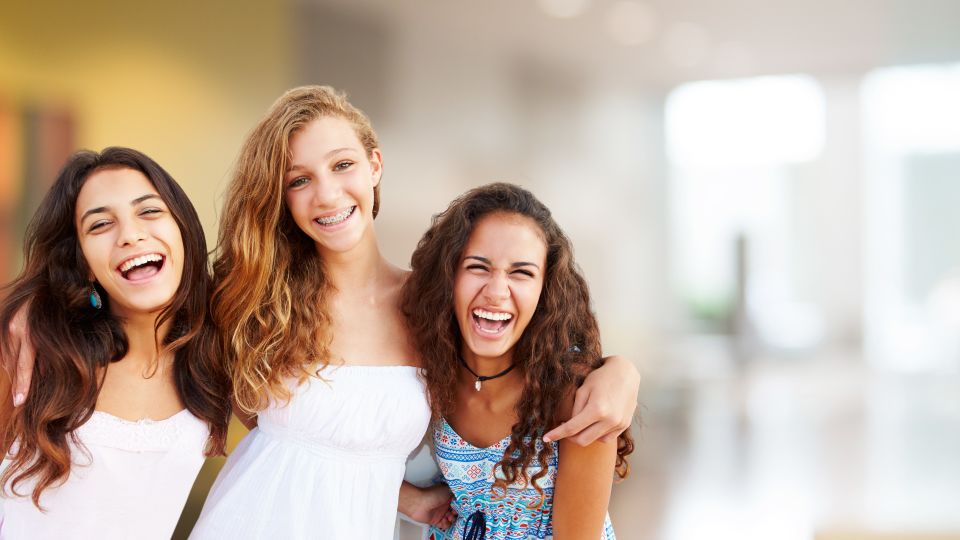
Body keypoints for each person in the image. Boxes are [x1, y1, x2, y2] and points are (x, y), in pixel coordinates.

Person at [4, 86, 641, 538]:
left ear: (374, 166)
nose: (327, 194)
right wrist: (31, 310)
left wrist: (618, 370)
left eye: (341, 166)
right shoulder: (252, 295)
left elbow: (525, 359)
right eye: (299, 179)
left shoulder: (432, 306)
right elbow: (138, 294)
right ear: (281, 197)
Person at [0, 147, 231, 539]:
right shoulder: (32, 352)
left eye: (149, 211)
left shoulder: (218, 354)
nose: (130, 235)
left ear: (183, 230)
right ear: (85, 264)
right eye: (100, 225)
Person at [403, 183, 633, 539]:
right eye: (478, 267)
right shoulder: (432, 367)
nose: (496, 292)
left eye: (521, 273)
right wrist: (409, 500)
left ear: (545, 291)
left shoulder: (577, 393)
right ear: (448, 276)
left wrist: (622, 368)